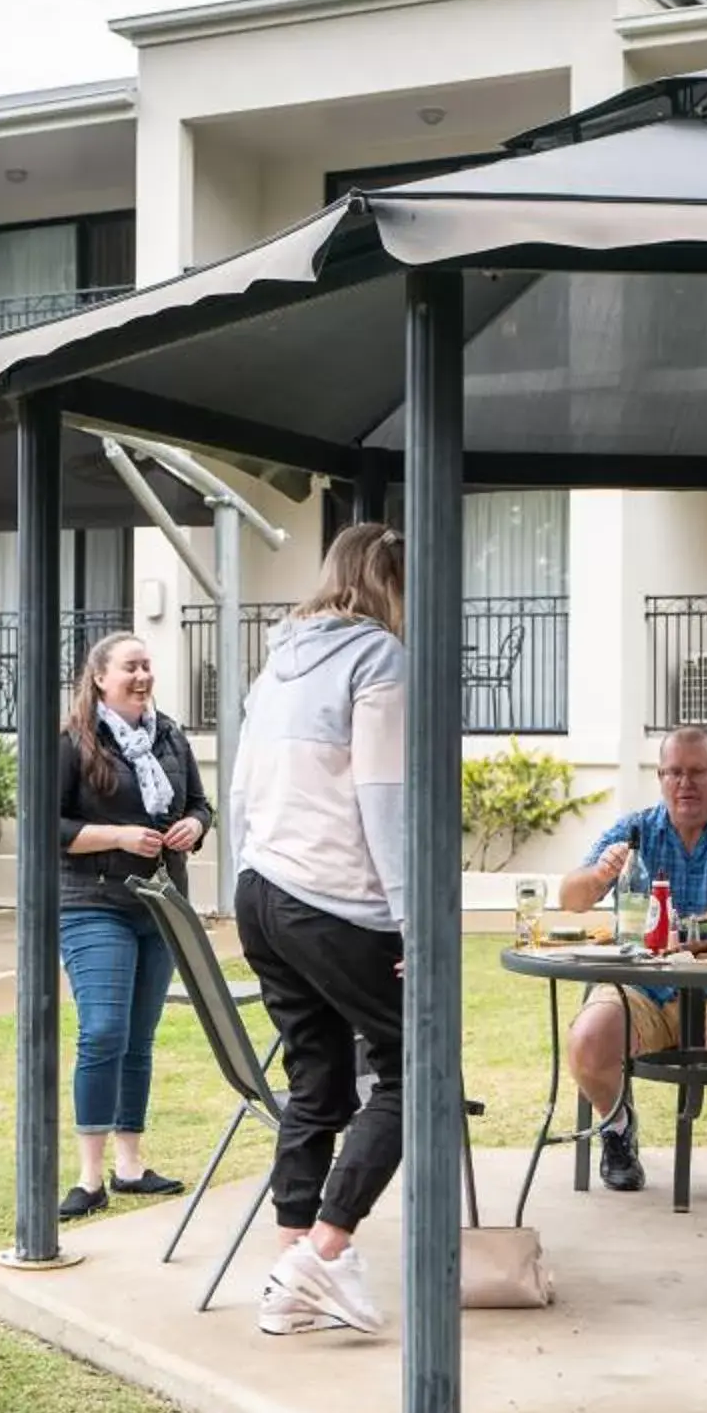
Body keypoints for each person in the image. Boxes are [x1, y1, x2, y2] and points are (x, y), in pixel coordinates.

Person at [233, 522, 409, 1337]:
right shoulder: (378, 659)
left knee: (319, 1083)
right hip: (335, 902)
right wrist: (413, 922)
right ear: (396, 584)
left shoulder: (275, 665)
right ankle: (326, 1252)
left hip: (262, 891)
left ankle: (289, 1278)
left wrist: (248, 871)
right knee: (421, 1071)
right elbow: (384, 796)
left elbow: (239, 787)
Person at [554, 726, 707, 1193]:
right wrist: (601, 873)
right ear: (661, 777)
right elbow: (571, 897)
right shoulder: (636, 830)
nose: (685, 783)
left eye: (698, 772)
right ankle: (618, 1127)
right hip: (643, 986)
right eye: (674, 772)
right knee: (587, 1039)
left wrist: (692, 929)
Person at [54, 632, 213, 1221]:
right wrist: (120, 836)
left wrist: (193, 827)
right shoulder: (73, 741)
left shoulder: (168, 734)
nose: (143, 676)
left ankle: (130, 1166)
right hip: (93, 904)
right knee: (102, 1031)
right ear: (99, 677)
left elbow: (199, 804)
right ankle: (88, 1177)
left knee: (139, 1038)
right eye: (131, 667)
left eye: (147, 666)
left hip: (162, 902)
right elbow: (51, 825)